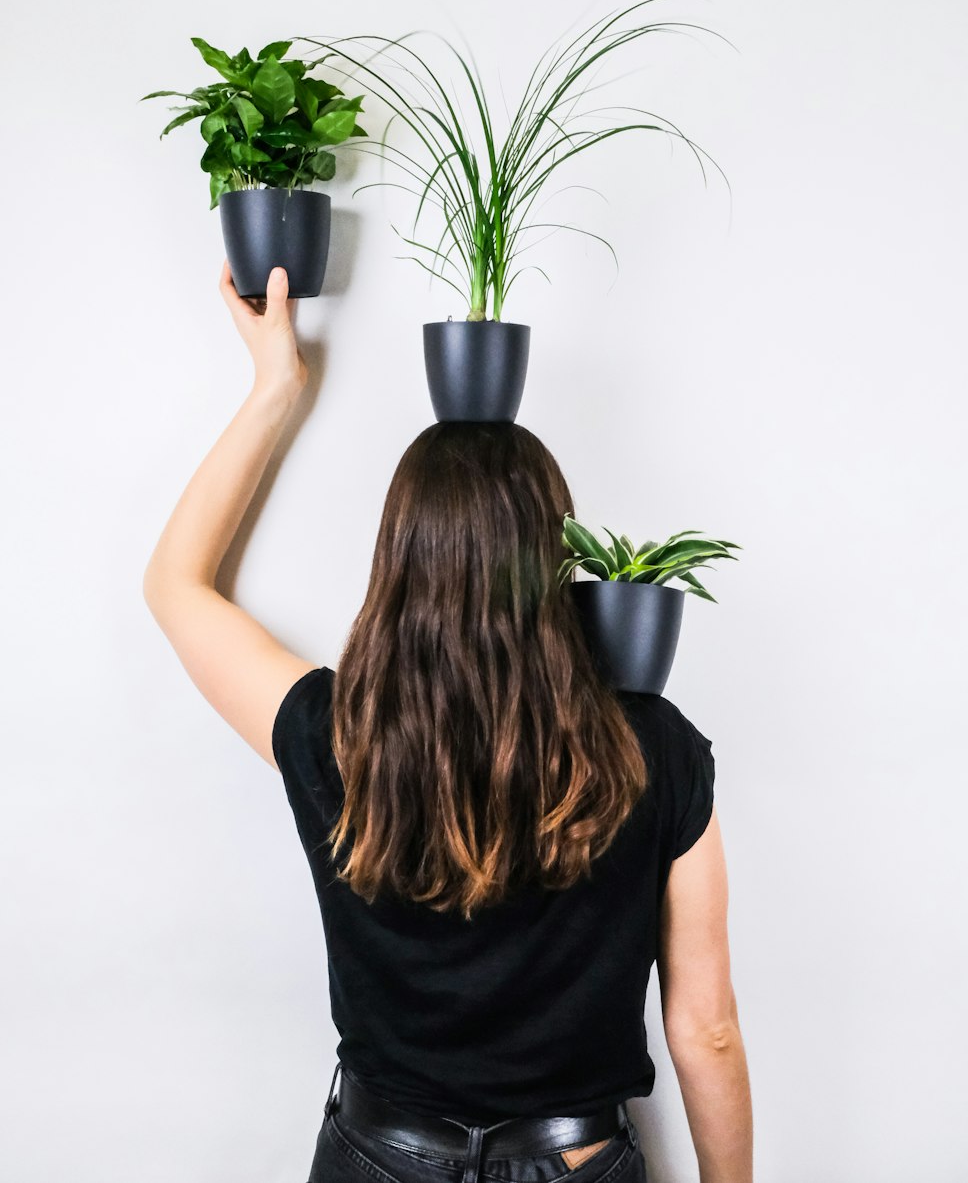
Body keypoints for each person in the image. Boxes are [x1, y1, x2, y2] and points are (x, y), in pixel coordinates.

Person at [143, 263, 753, 1183]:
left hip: (376, 1158)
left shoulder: (331, 732)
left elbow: (175, 585)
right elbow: (705, 1030)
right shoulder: (654, 747)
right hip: (575, 1161)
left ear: (400, 559)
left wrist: (276, 386)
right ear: (558, 559)